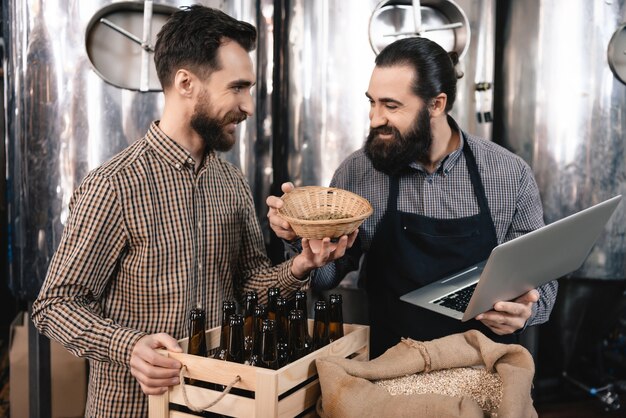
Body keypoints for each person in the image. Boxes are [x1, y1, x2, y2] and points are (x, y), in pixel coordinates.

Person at [31, 6, 352, 417]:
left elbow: (249, 285)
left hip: (219, 402)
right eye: (237, 88)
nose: (249, 106)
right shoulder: (116, 184)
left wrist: (301, 266)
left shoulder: (231, 182)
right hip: (134, 407)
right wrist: (128, 347)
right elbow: (55, 303)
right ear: (186, 83)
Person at [267, 37, 558, 358]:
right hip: (389, 367)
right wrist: (303, 243)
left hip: (484, 370)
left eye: (391, 106)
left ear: (437, 104)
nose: (375, 118)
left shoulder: (508, 173)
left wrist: (524, 311)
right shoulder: (357, 172)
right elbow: (326, 276)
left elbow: (541, 281)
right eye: (372, 102)